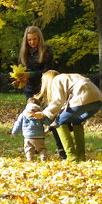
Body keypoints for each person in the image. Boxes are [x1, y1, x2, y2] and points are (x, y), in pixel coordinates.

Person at [34, 70, 102, 162]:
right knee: (76, 121)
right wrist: (49, 129)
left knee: (59, 122)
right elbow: (64, 109)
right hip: (98, 100)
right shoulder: (68, 78)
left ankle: (71, 157)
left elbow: (58, 102)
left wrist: (44, 113)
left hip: (83, 98)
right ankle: (81, 157)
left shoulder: (56, 80)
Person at [16, 25, 61, 155]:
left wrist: (31, 74)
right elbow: (23, 70)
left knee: (50, 117)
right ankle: (33, 149)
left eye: (34, 39)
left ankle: (61, 148)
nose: (32, 42)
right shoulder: (25, 52)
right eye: (29, 40)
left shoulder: (46, 50)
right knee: (31, 118)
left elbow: (48, 71)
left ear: (39, 38)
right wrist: (20, 79)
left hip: (45, 87)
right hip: (30, 90)